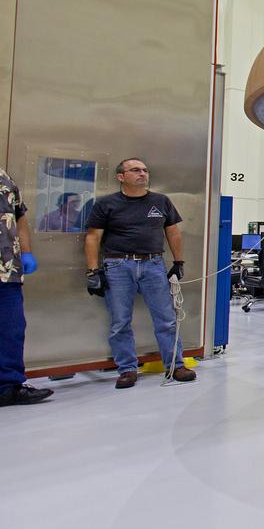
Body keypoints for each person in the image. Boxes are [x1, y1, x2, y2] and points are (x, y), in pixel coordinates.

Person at [84, 158, 195, 389]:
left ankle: (175, 365)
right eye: (135, 170)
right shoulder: (106, 204)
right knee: (120, 322)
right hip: (117, 266)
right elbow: (93, 237)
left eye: (145, 170)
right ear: (121, 177)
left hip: (153, 265)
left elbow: (173, 232)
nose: (142, 173)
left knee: (166, 319)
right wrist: (93, 271)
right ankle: (127, 370)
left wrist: (178, 262)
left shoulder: (161, 201)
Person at [0, 163, 53, 408]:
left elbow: (19, 216)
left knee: (8, 331)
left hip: (4, 269)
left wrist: (26, 251)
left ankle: (7, 388)